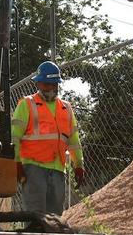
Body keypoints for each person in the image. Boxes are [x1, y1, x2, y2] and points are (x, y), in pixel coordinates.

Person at [11, 61, 84, 215]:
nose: (50, 88)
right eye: (46, 84)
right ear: (38, 83)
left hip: (58, 170)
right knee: (36, 216)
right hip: (33, 168)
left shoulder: (66, 108)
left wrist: (79, 165)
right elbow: (15, 137)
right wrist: (16, 164)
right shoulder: (27, 104)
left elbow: (74, 142)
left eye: (53, 84)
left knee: (55, 217)